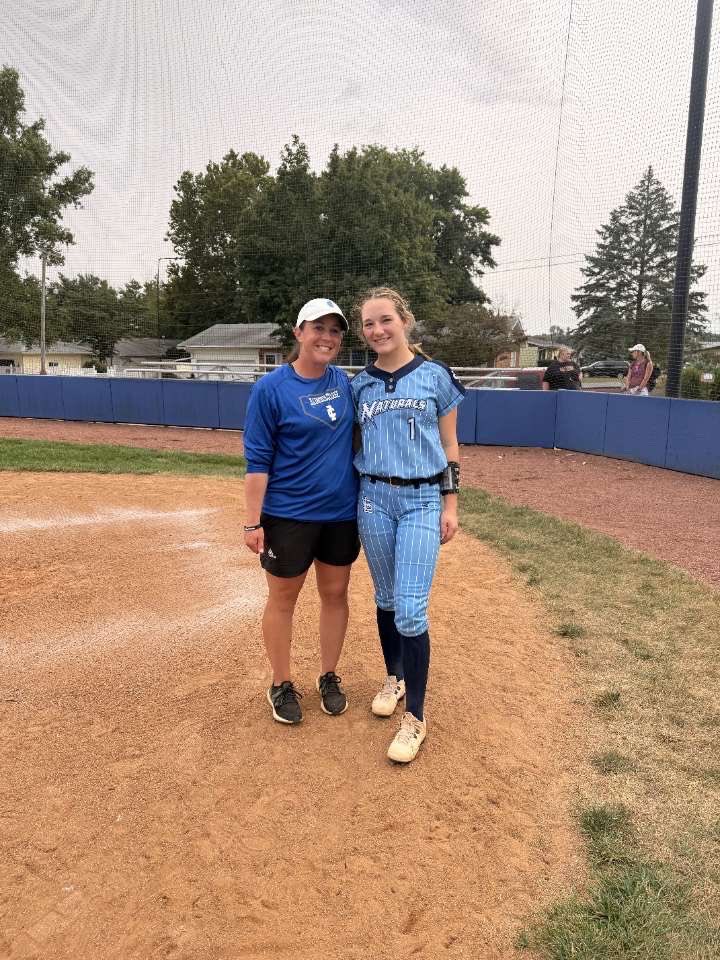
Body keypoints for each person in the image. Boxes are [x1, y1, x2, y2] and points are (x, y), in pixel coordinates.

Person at [350, 287, 463, 764]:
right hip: (373, 498)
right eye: (369, 324)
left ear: (405, 321)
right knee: (386, 599)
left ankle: (414, 717)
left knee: (412, 610)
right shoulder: (360, 385)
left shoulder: (435, 377)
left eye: (385, 320)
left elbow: (451, 447)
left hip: (420, 500)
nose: (377, 330)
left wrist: (450, 504)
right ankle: (394, 677)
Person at [243, 298, 360, 725]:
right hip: (288, 514)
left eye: (334, 330)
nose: (326, 337)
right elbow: (258, 459)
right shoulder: (270, 389)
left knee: (334, 594)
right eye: (318, 328)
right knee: (284, 599)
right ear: (298, 333)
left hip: (340, 513)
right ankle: (280, 681)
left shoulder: (345, 384)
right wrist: (253, 521)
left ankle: (328, 675)